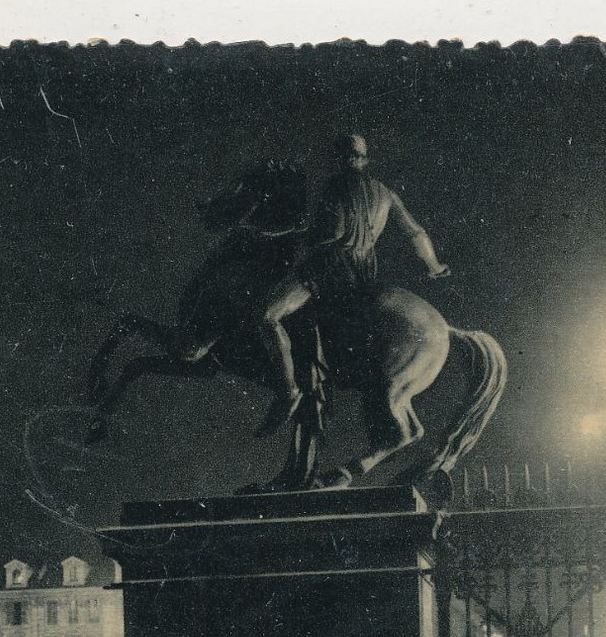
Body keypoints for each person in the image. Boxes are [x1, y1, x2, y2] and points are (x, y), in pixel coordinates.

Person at [183, 134, 451, 436]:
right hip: (364, 273)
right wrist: (435, 266)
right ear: (363, 160)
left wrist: (273, 237)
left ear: (340, 159)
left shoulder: (334, 188)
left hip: (326, 271)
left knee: (266, 314)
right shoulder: (385, 193)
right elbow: (416, 234)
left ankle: (288, 392)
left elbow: (329, 236)